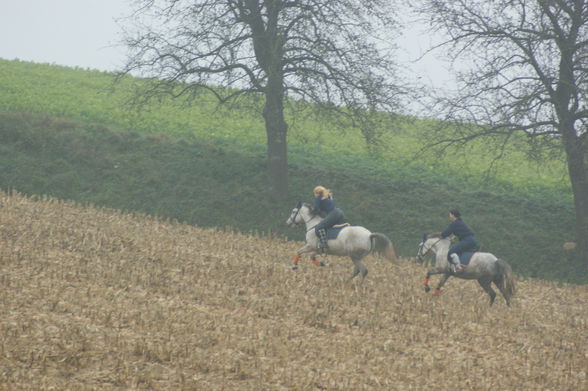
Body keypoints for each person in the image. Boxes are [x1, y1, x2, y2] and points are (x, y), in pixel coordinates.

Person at [441, 209, 479, 273]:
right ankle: (463, 263)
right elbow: (463, 231)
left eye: (450, 214)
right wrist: (455, 237)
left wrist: (441, 235)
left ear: (453, 215)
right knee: (459, 251)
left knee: (451, 252)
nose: (449, 215)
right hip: (472, 240)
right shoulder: (460, 221)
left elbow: (444, 234)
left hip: (467, 241)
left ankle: (458, 267)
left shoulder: (454, 223)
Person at [312, 186, 346, 253]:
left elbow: (316, 209)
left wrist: (311, 211)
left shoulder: (318, 198)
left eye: (314, 193)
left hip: (334, 213)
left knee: (319, 227)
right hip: (340, 212)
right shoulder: (327, 197)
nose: (314, 195)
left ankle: (323, 243)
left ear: (317, 193)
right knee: (329, 227)